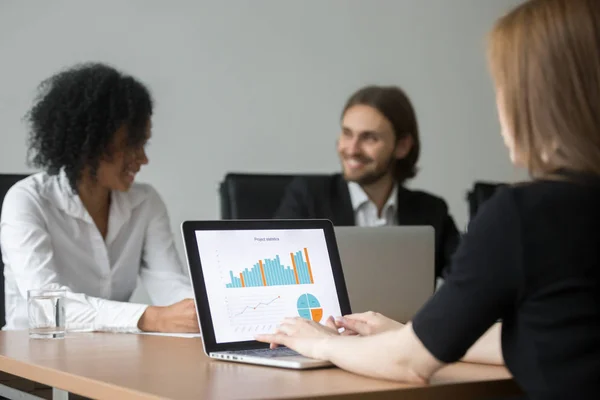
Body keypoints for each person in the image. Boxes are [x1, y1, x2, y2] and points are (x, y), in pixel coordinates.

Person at [258, 0, 600, 397]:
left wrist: (320, 344)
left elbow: (410, 363)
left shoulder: (522, 215)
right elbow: (549, 334)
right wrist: (418, 333)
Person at [0, 63, 198, 333]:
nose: (142, 159)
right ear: (89, 143)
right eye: (131, 146)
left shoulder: (146, 202)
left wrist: (200, 313)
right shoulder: (26, 200)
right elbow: (48, 306)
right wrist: (152, 318)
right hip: (33, 358)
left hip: (111, 353)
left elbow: (169, 284)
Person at [274, 85, 460, 281]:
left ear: (402, 146)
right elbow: (279, 274)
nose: (352, 150)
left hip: (402, 314)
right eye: (347, 133)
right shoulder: (308, 197)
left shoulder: (431, 211)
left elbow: (467, 279)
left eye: (369, 138)